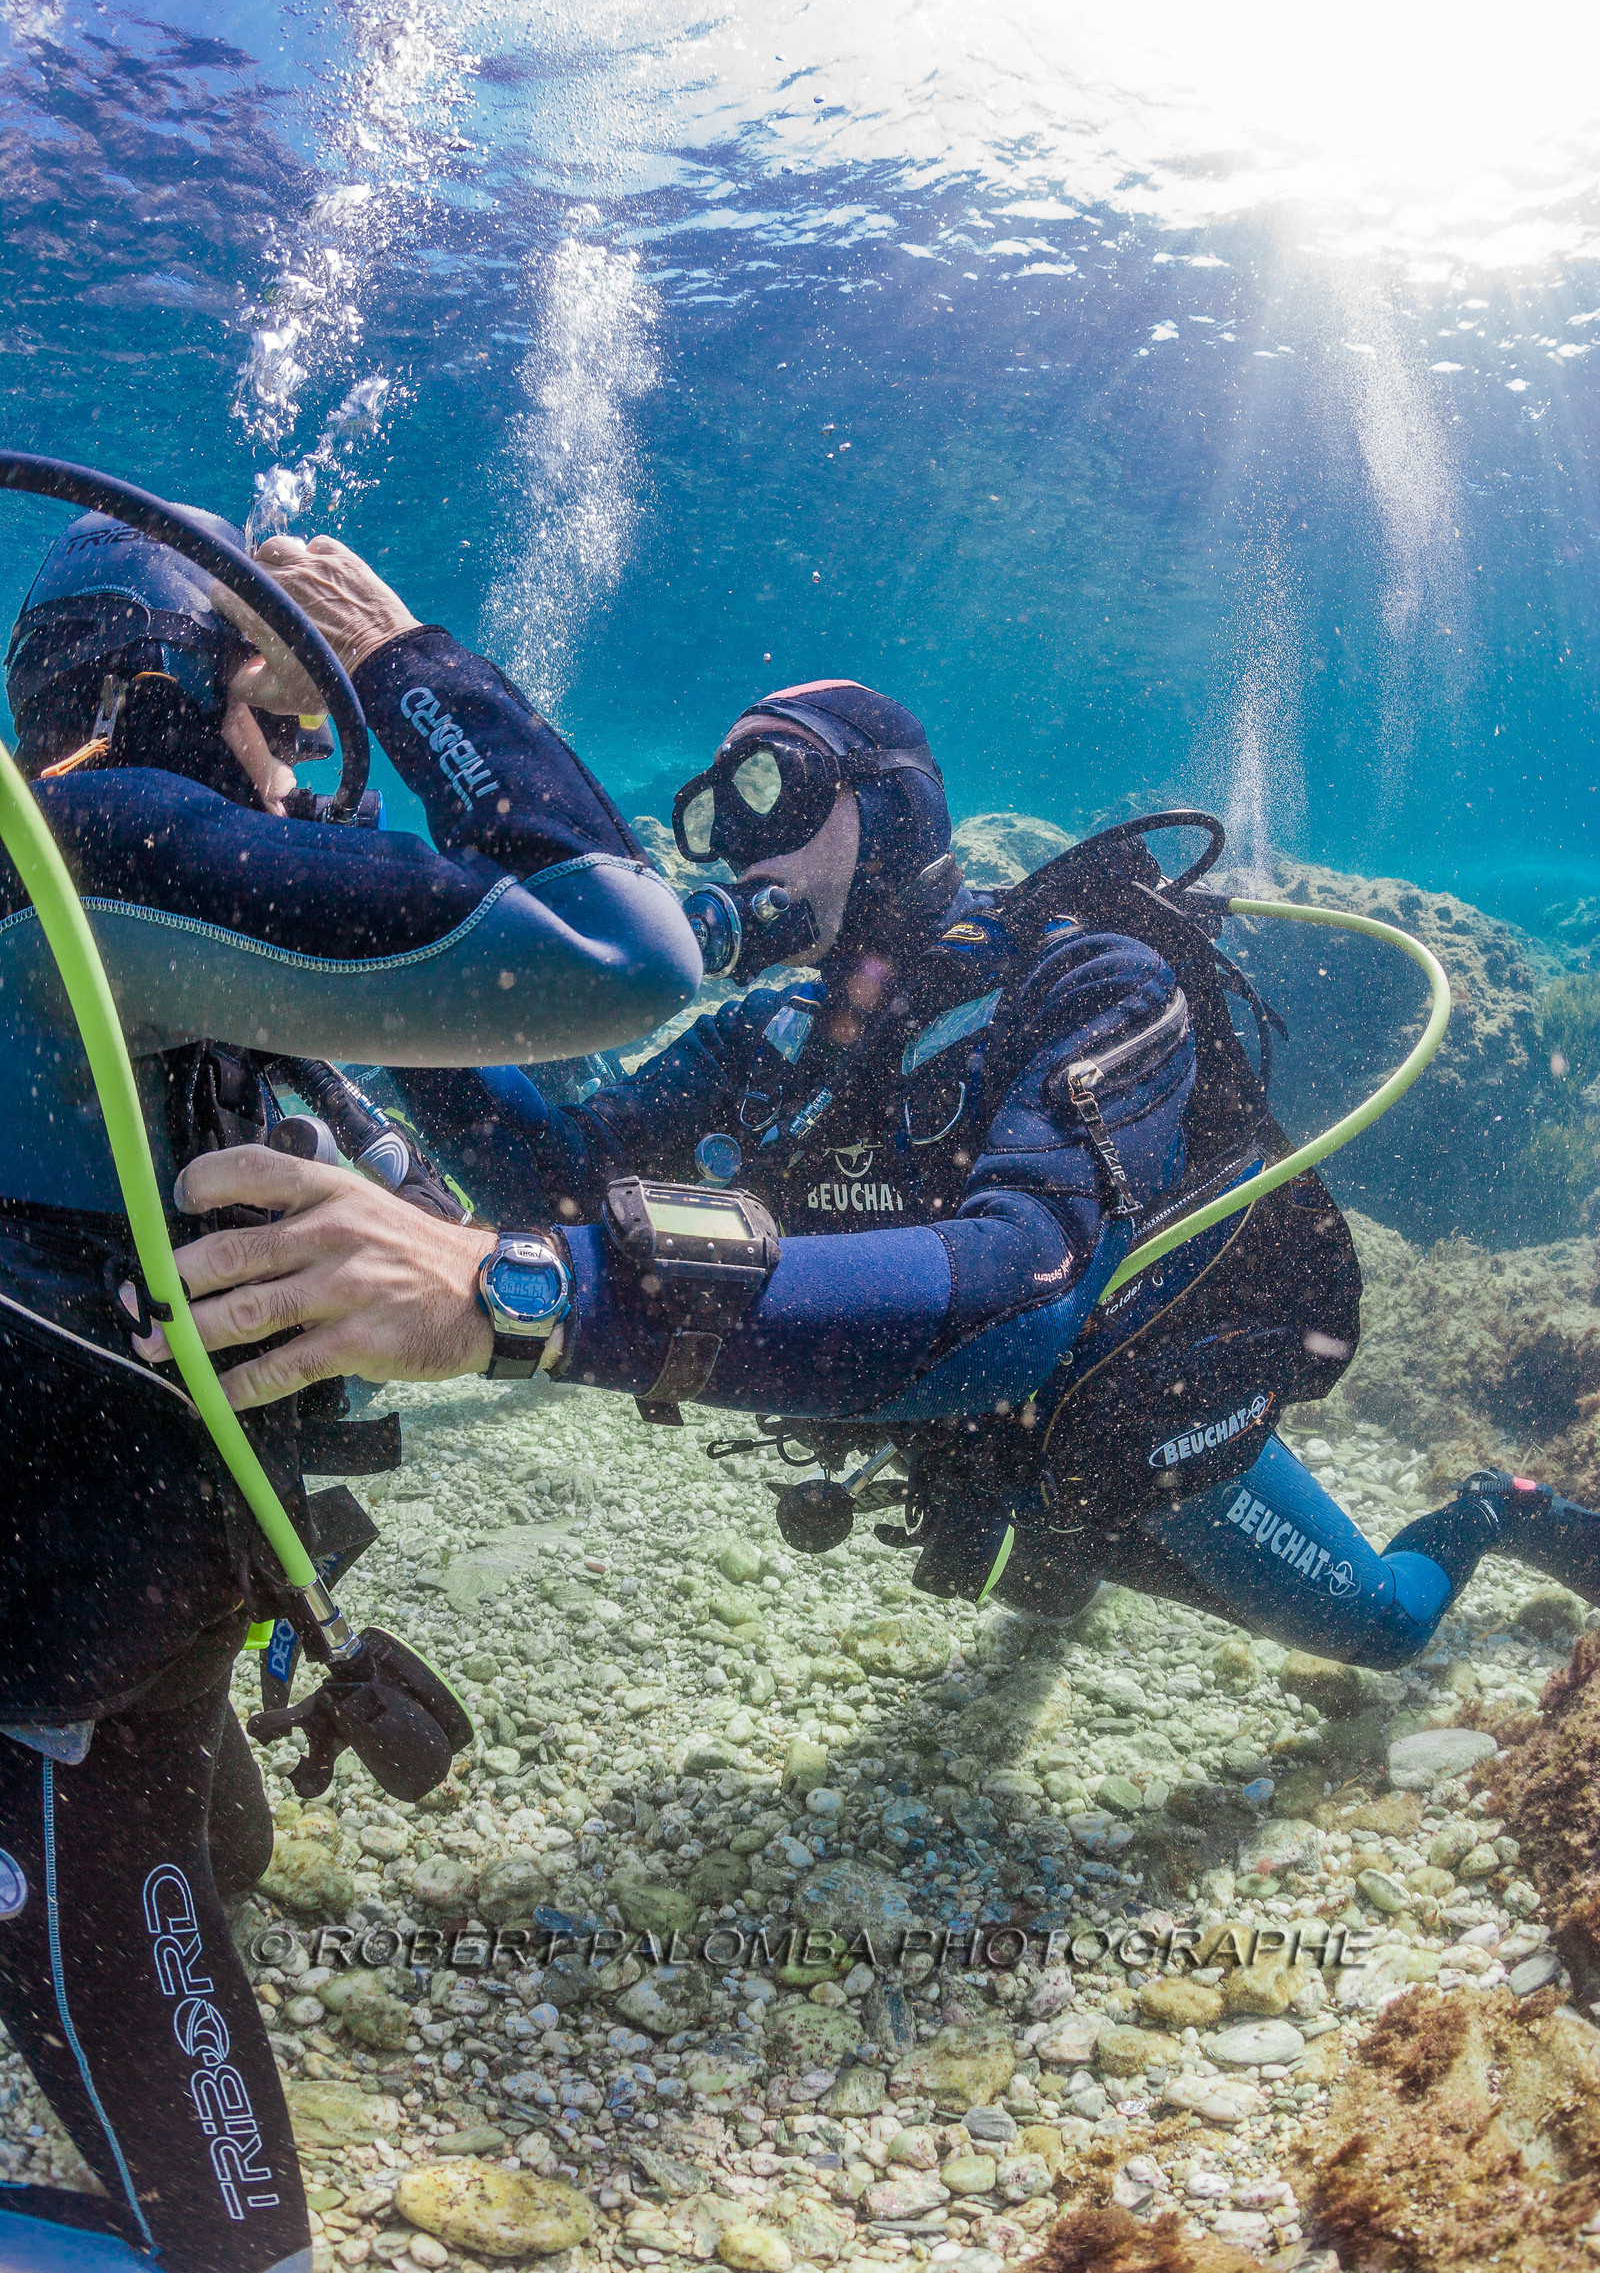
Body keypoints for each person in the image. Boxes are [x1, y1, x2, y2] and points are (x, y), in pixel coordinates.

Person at [148, 671, 1600, 1674]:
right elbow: (566, 1170)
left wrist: (515, 1298)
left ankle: (1501, 1511)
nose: (736, 843)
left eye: (777, 788)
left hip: (1141, 1423)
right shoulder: (779, 1036)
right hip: (975, 1447)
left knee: (1381, 1631)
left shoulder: (1094, 982)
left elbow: (1016, 1289)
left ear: (897, 811)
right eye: (715, 812)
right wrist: (354, 952)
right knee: (1052, 1580)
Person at [0, 515, 700, 2273]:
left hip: (127, 1620)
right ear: (164, 682)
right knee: (247, 2266)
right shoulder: (96, 846)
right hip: (41, 1682)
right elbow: (619, 952)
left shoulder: (124, 918)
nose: (306, 792)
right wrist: (411, 664)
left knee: (218, 1858)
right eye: (288, 723)